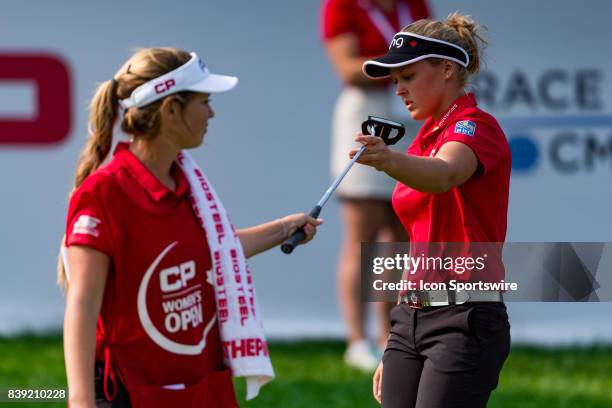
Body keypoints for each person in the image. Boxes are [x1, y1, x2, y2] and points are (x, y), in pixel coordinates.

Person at [59, 47, 322, 408]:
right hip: (131, 393)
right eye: (204, 101)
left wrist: (282, 230)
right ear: (170, 110)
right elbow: (83, 304)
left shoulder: (186, 182)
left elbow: (212, 252)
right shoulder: (104, 193)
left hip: (197, 386)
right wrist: (80, 400)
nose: (211, 112)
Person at [356, 13, 512, 407]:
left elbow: (444, 175)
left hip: (465, 318)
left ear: (446, 69)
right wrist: (397, 335)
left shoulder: (476, 126)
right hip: (411, 317)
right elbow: (419, 246)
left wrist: (387, 161)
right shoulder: (420, 145)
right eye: (395, 82)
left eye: (407, 77)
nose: (399, 91)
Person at [320, 0, 430, 371]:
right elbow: (348, 68)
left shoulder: (412, 3)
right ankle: (357, 340)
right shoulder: (342, 5)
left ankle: (392, 336)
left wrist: (411, 73)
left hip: (407, 111)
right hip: (365, 110)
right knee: (362, 235)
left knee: (401, 235)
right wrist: (403, 67)